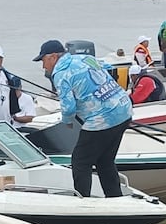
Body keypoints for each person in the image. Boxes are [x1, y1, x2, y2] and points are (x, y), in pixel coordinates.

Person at [33, 39, 133, 198]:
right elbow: (107, 67)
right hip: (124, 110)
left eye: (43, 60)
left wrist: (67, 122)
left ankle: (83, 200)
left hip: (102, 120)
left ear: (53, 57)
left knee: (80, 162)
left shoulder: (61, 73)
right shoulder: (83, 57)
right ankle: (115, 197)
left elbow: (69, 107)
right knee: (105, 160)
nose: (43, 66)